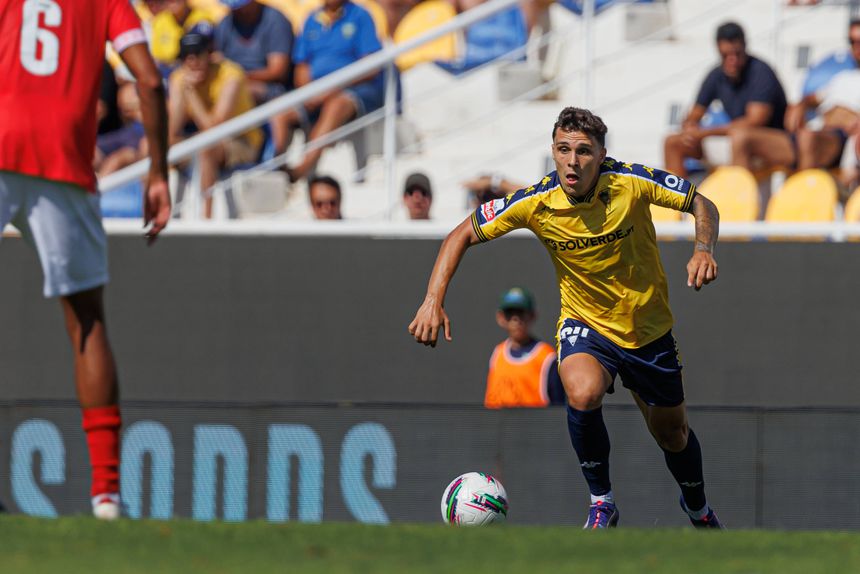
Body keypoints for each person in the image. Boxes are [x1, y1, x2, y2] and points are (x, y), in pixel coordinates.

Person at [409, 107, 724, 529]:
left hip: (647, 331)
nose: (572, 161)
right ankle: (602, 501)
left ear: (601, 155)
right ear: (553, 151)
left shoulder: (630, 181)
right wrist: (432, 300)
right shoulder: (536, 202)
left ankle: (698, 509)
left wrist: (703, 249)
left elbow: (701, 203)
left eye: (583, 151)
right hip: (586, 325)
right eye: (563, 149)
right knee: (582, 391)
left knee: (672, 434)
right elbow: (461, 233)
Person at [0, 0, 171, 519]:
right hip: (63, 159)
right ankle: (106, 496)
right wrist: (158, 172)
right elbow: (150, 81)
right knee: (86, 321)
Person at [664, 22, 788, 178]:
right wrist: (689, 127)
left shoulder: (761, 72)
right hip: (737, 140)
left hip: (773, 141)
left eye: (737, 54)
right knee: (673, 142)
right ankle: (676, 193)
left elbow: (755, 121)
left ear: (744, 47)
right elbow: (694, 114)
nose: (732, 60)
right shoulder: (716, 75)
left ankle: (740, 193)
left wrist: (702, 133)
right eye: (726, 56)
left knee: (741, 138)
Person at [283, 0, 385, 182]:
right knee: (280, 115)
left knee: (336, 104)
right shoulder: (311, 19)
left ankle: (302, 168)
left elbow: (370, 66)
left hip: (353, 90)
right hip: (316, 92)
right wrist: (309, 92)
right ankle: (274, 167)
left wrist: (330, 90)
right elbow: (301, 65)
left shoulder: (360, 15)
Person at [168, 25, 263, 218]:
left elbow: (214, 128)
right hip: (202, 139)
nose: (192, 61)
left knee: (206, 148)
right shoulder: (179, 77)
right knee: (150, 146)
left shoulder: (231, 74)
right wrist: (181, 90)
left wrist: (190, 93)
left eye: (197, 54)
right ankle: (153, 214)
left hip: (241, 140)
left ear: (209, 54)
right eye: (186, 56)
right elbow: (172, 131)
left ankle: (206, 218)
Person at [215, 0, 294, 154]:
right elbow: (217, 59)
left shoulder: (275, 20)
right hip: (232, 83)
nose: (236, 9)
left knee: (235, 91)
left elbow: (277, 71)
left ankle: (273, 156)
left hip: (271, 89)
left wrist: (239, 78)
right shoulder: (226, 23)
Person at [485, 287, 566, 409]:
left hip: (533, 421)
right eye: (510, 313)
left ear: (532, 316)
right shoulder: (498, 353)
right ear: (501, 317)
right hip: (498, 421)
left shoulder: (546, 357)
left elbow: (558, 407)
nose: (515, 319)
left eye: (521, 313)